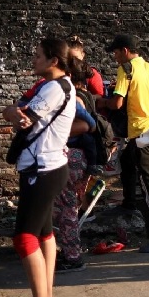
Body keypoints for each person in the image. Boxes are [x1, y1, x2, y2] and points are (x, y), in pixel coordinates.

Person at [2, 37, 76, 297]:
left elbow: (22, 120)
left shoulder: (53, 88)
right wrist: (14, 110)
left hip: (43, 171)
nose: (33, 60)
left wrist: (12, 110)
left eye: (37, 55)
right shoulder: (57, 85)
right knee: (44, 233)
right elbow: (19, 114)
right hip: (48, 168)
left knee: (24, 238)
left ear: (53, 61)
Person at [95, 35, 149, 253]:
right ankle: (128, 203)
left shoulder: (126, 69)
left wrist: (100, 101)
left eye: (116, 52)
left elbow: (117, 103)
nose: (115, 57)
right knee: (128, 162)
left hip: (140, 133)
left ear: (125, 51)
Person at [52, 59, 98, 274]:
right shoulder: (85, 95)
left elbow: (87, 126)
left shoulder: (75, 98)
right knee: (67, 207)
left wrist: (53, 130)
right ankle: (69, 252)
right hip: (77, 158)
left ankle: (73, 257)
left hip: (72, 158)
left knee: (67, 208)